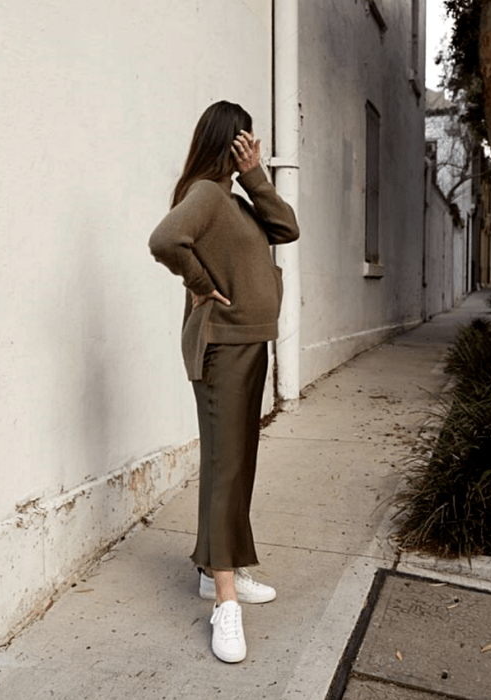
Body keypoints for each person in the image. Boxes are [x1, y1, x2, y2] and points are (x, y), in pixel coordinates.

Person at [148, 100, 299, 663]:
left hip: (249, 343)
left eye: (253, 143)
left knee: (239, 464)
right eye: (245, 142)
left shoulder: (236, 197)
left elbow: (287, 227)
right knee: (224, 467)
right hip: (222, 350)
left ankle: (218, 572)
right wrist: (201, 283)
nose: (251, 149)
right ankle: (225, 602)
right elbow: (165, 241)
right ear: (226, 140)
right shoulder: (206, 195)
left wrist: (257, 175)